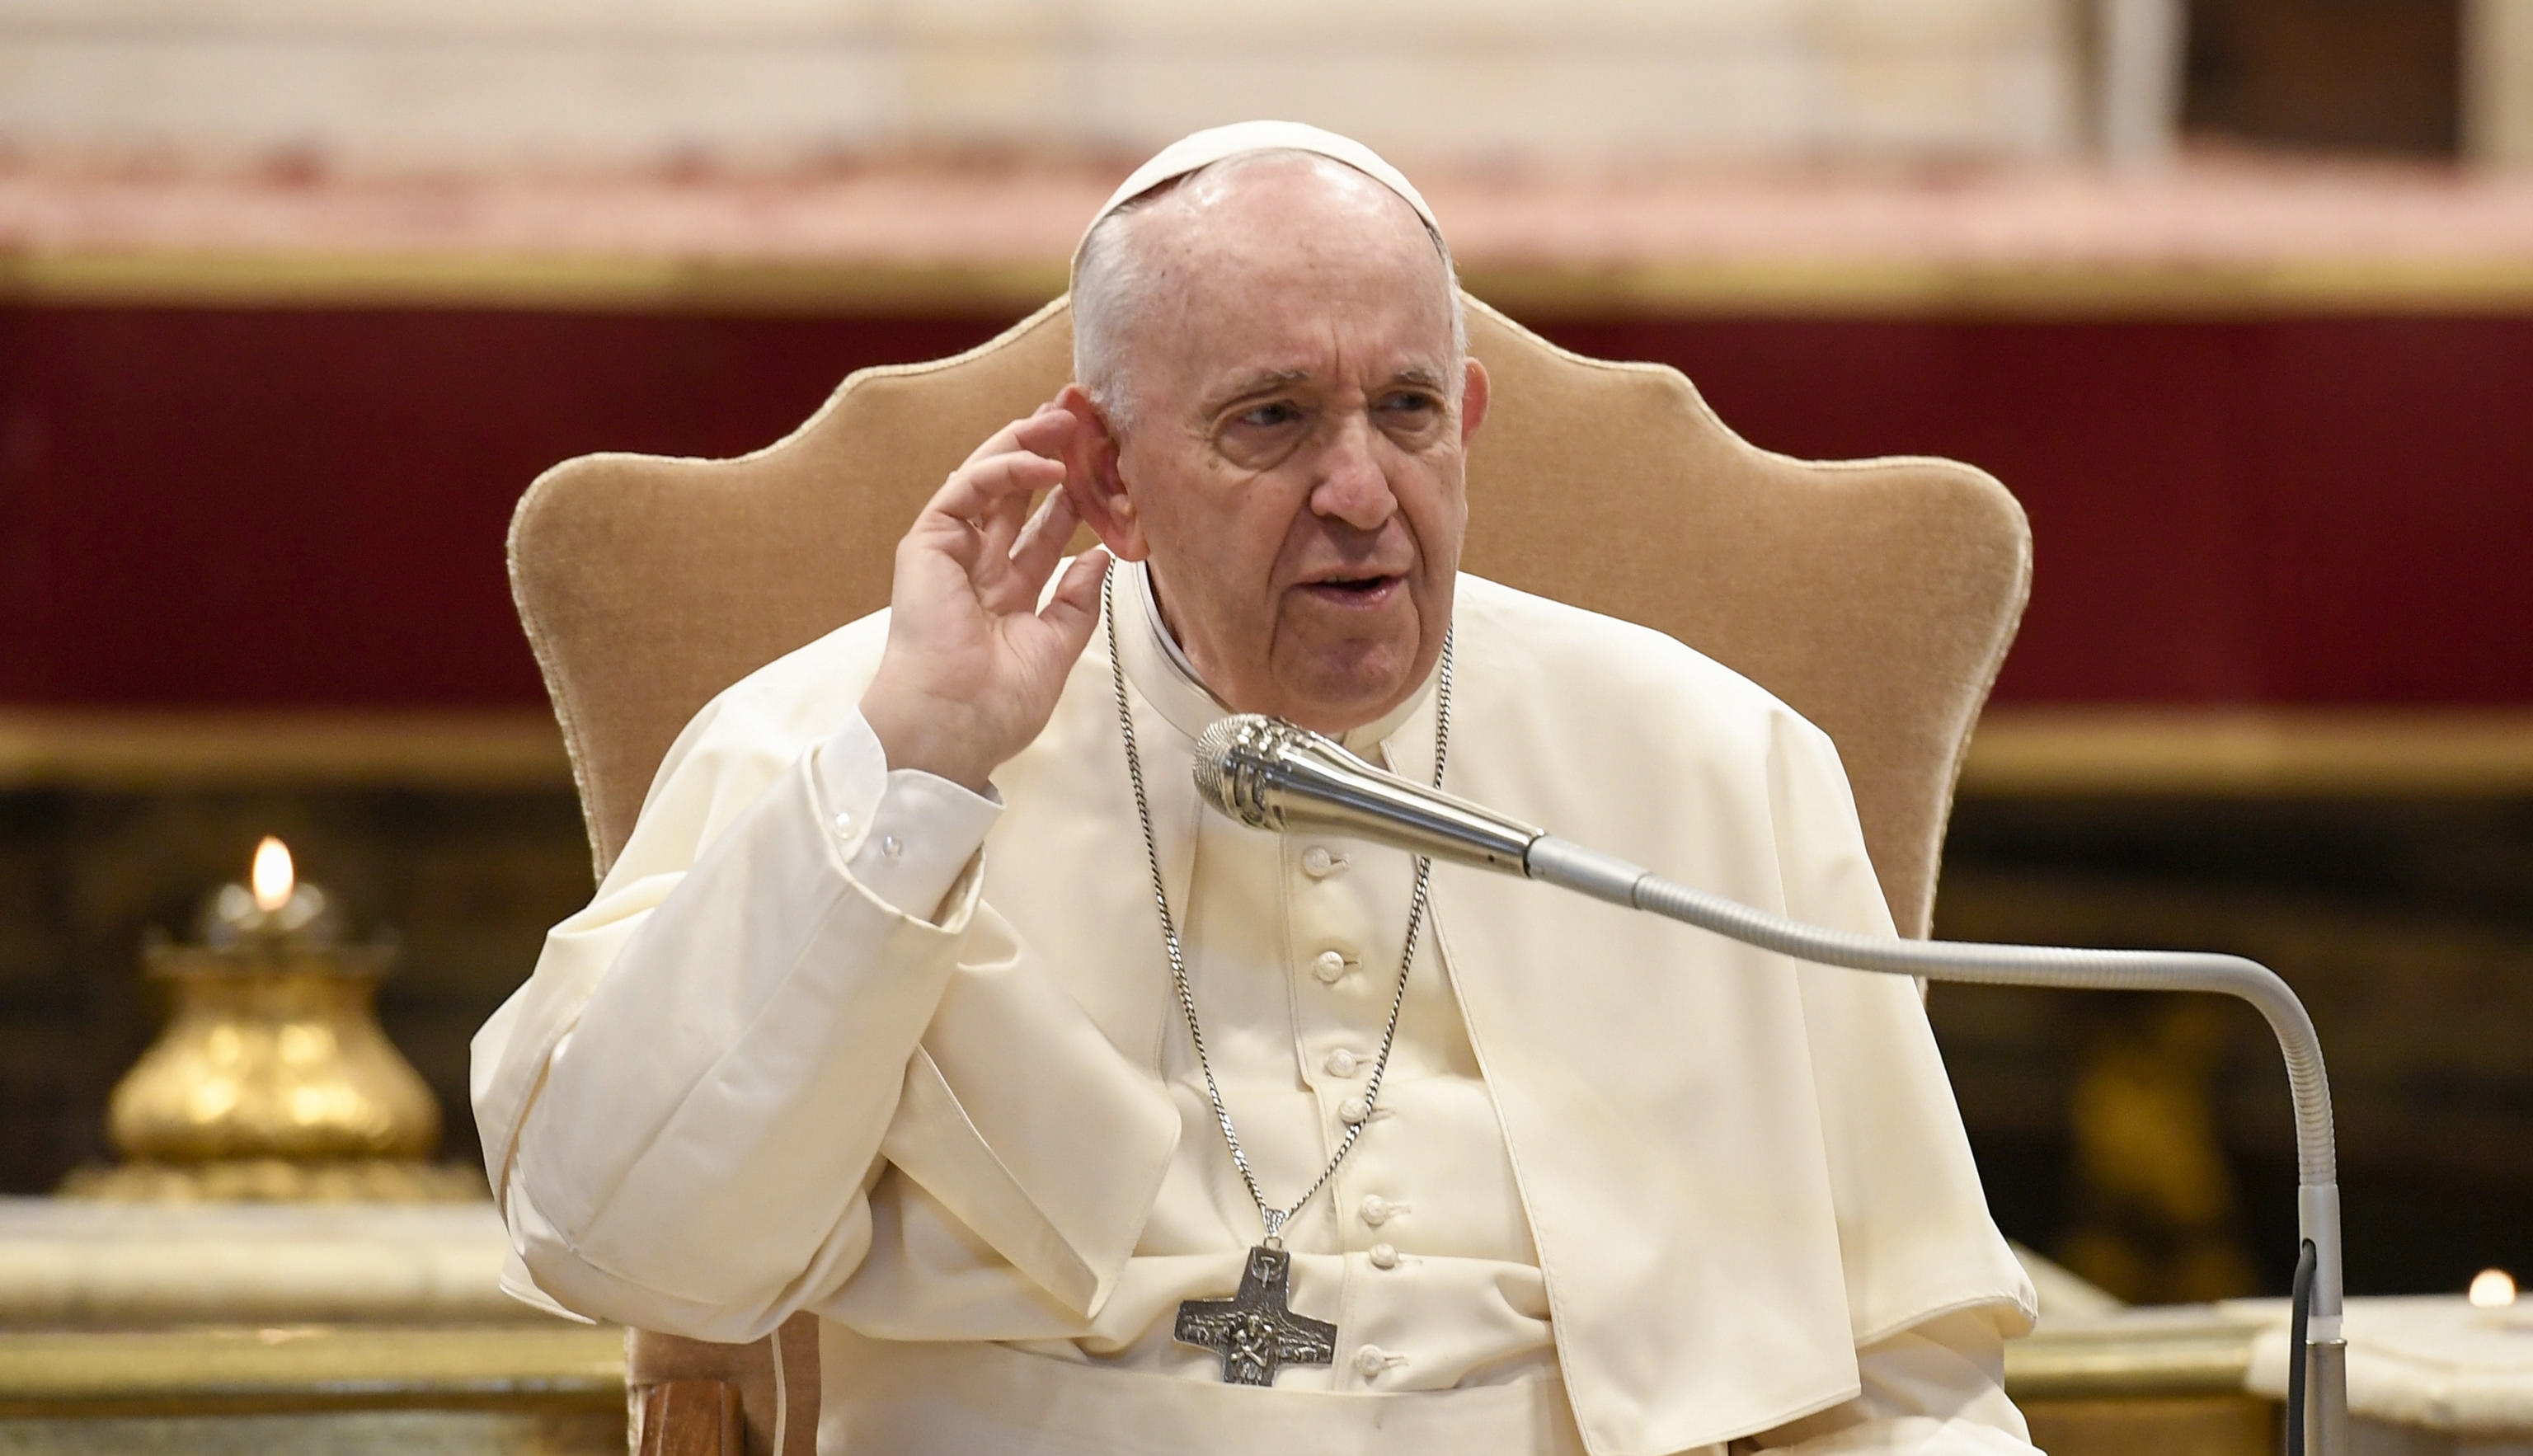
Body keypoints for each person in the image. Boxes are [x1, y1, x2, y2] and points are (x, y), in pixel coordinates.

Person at [472, 121, 2040, 1456]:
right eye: (1272, 420)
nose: (1361, 493)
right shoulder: (849, 744)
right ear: (1106, 474)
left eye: (1407, 412)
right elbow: (622, 1242)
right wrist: (918, 781)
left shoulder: (1713, 764)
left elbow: (1909, 1379)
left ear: (1467, 422)